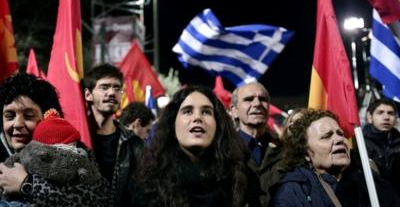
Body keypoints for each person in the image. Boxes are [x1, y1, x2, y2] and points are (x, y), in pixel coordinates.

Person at [134, 86, 261, 207]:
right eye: (188, 111)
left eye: (206, 112)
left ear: (218, 124)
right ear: (173, 124)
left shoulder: (241, 178)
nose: (197, 118)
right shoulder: (148, 180)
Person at [0, 72, 108, 207]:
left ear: (49, 118)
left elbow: (98, 200)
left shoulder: (76, 155)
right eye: (10, 116)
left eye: (28, 116)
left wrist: (28, 185)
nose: (17, 124)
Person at [270, 109, 400, 207]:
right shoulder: (292, 192)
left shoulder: (370, 180)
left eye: (340, 133)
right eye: (326, 136)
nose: (339, 140)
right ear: (306, 152)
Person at [83, 63, 143, 207]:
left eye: (117, 88)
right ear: (88, 94)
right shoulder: (77, 139)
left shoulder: (133, 144)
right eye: (104, 87)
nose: (111, 93)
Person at [230, 82, 283, 207]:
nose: (257, 104)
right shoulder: (222, 151)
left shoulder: (285, 151)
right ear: (234, 111)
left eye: (262, 99)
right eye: (248, 99)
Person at [363, 98, 400, 194]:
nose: (386, 117)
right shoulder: (360, 144)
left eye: (390, 113)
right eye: (380, 112)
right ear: (370, 117)